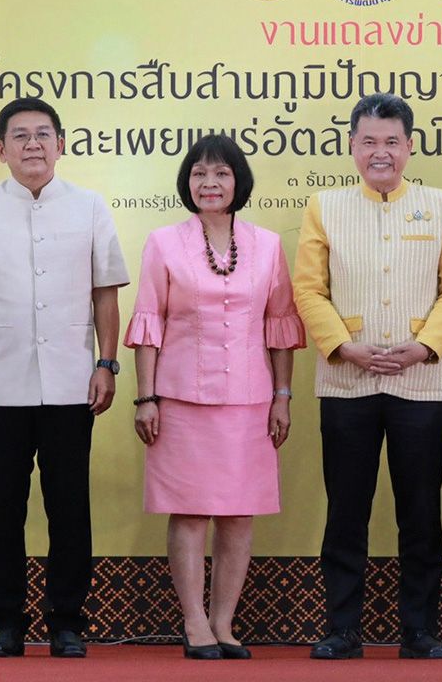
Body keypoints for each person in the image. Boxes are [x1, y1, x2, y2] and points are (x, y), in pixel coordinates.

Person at [0, 97, 129, 659]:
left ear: (62, 144)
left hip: (74, 380)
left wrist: (106, 362)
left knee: (69, 505)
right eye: (19, 136)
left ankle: (67, 621)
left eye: (43, 134)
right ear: (0, 150)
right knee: (2, 507)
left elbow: (105, 293)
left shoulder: (90, 206)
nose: (32, 145)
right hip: (0, 382)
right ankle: (6, 621)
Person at [294, 93, 442, 660]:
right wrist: (344, 346)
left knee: (420, 511)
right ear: (351, 147)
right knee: (346, 509)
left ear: (410, 146)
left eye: (391, 141)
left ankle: (419, 630)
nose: (380, 152)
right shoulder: (325, 206)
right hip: (346, 382)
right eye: (368, 141)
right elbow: (308, 289)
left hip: (420, 385)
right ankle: (342, 628)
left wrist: (424, 347)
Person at [126, 134, 305, 660]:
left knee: (238, 514)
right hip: (179, 400)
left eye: (222, 173)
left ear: (238, 182)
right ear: (187, 182)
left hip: (250, 401)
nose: (210, 183)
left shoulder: (268, 245)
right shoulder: (162, 243)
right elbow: (148, 324)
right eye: (200, 173)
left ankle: (225, 624)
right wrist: (146, 398)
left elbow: (279, 327)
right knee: (188, 513)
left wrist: (283, 397)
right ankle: (195, 623)